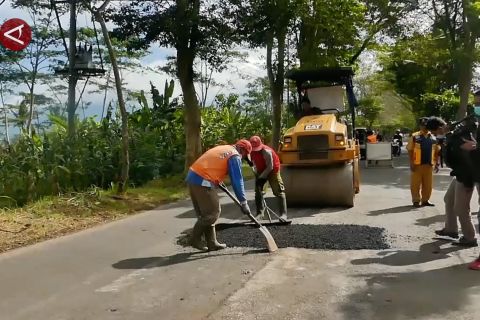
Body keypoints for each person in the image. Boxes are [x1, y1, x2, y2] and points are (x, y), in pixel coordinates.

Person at [185, 139, 253, 251]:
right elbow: (237, 180)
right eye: (245, 155)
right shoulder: (235, 156)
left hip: (193, 177)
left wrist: (217, 179)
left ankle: (212, 243)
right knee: (212, 213)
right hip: (202, 180)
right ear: (243, 150)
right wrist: (243, 202)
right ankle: (194, 239)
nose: (244, 158)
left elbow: (213, 164)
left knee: (206, 213)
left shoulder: (225, 148)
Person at [434, 115, 479, 248]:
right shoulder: (451, 137)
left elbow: (469, 155)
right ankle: (451, 229)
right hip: (459, 173)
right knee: (448, 199)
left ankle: (470, 237)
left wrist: (468, 180)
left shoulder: (461, 137)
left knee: (461, 208)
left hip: (466, 176)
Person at [406, 117, 444, 207]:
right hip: (417, 164)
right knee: (415, 183)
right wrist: (411, 162)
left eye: (426, 125)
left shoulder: (433, 137)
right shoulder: (415, 136)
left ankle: (425, 200)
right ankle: (416, 200)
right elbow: (410, 150)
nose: (424, 127)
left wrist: (437, 163)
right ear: (420, 126)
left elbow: (437, 152)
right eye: (422, 125)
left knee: (428, 184)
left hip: (429, 164)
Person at [249, 135, 288, 220]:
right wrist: (256, 173)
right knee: (259, 192)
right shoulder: (250, 151)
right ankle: (260, 214)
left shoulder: (266, 151)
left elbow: (270, 167)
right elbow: (253, 163)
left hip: (273, 170)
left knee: (278, 191)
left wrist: (262, 177)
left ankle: (283, 215)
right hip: (261, 169)